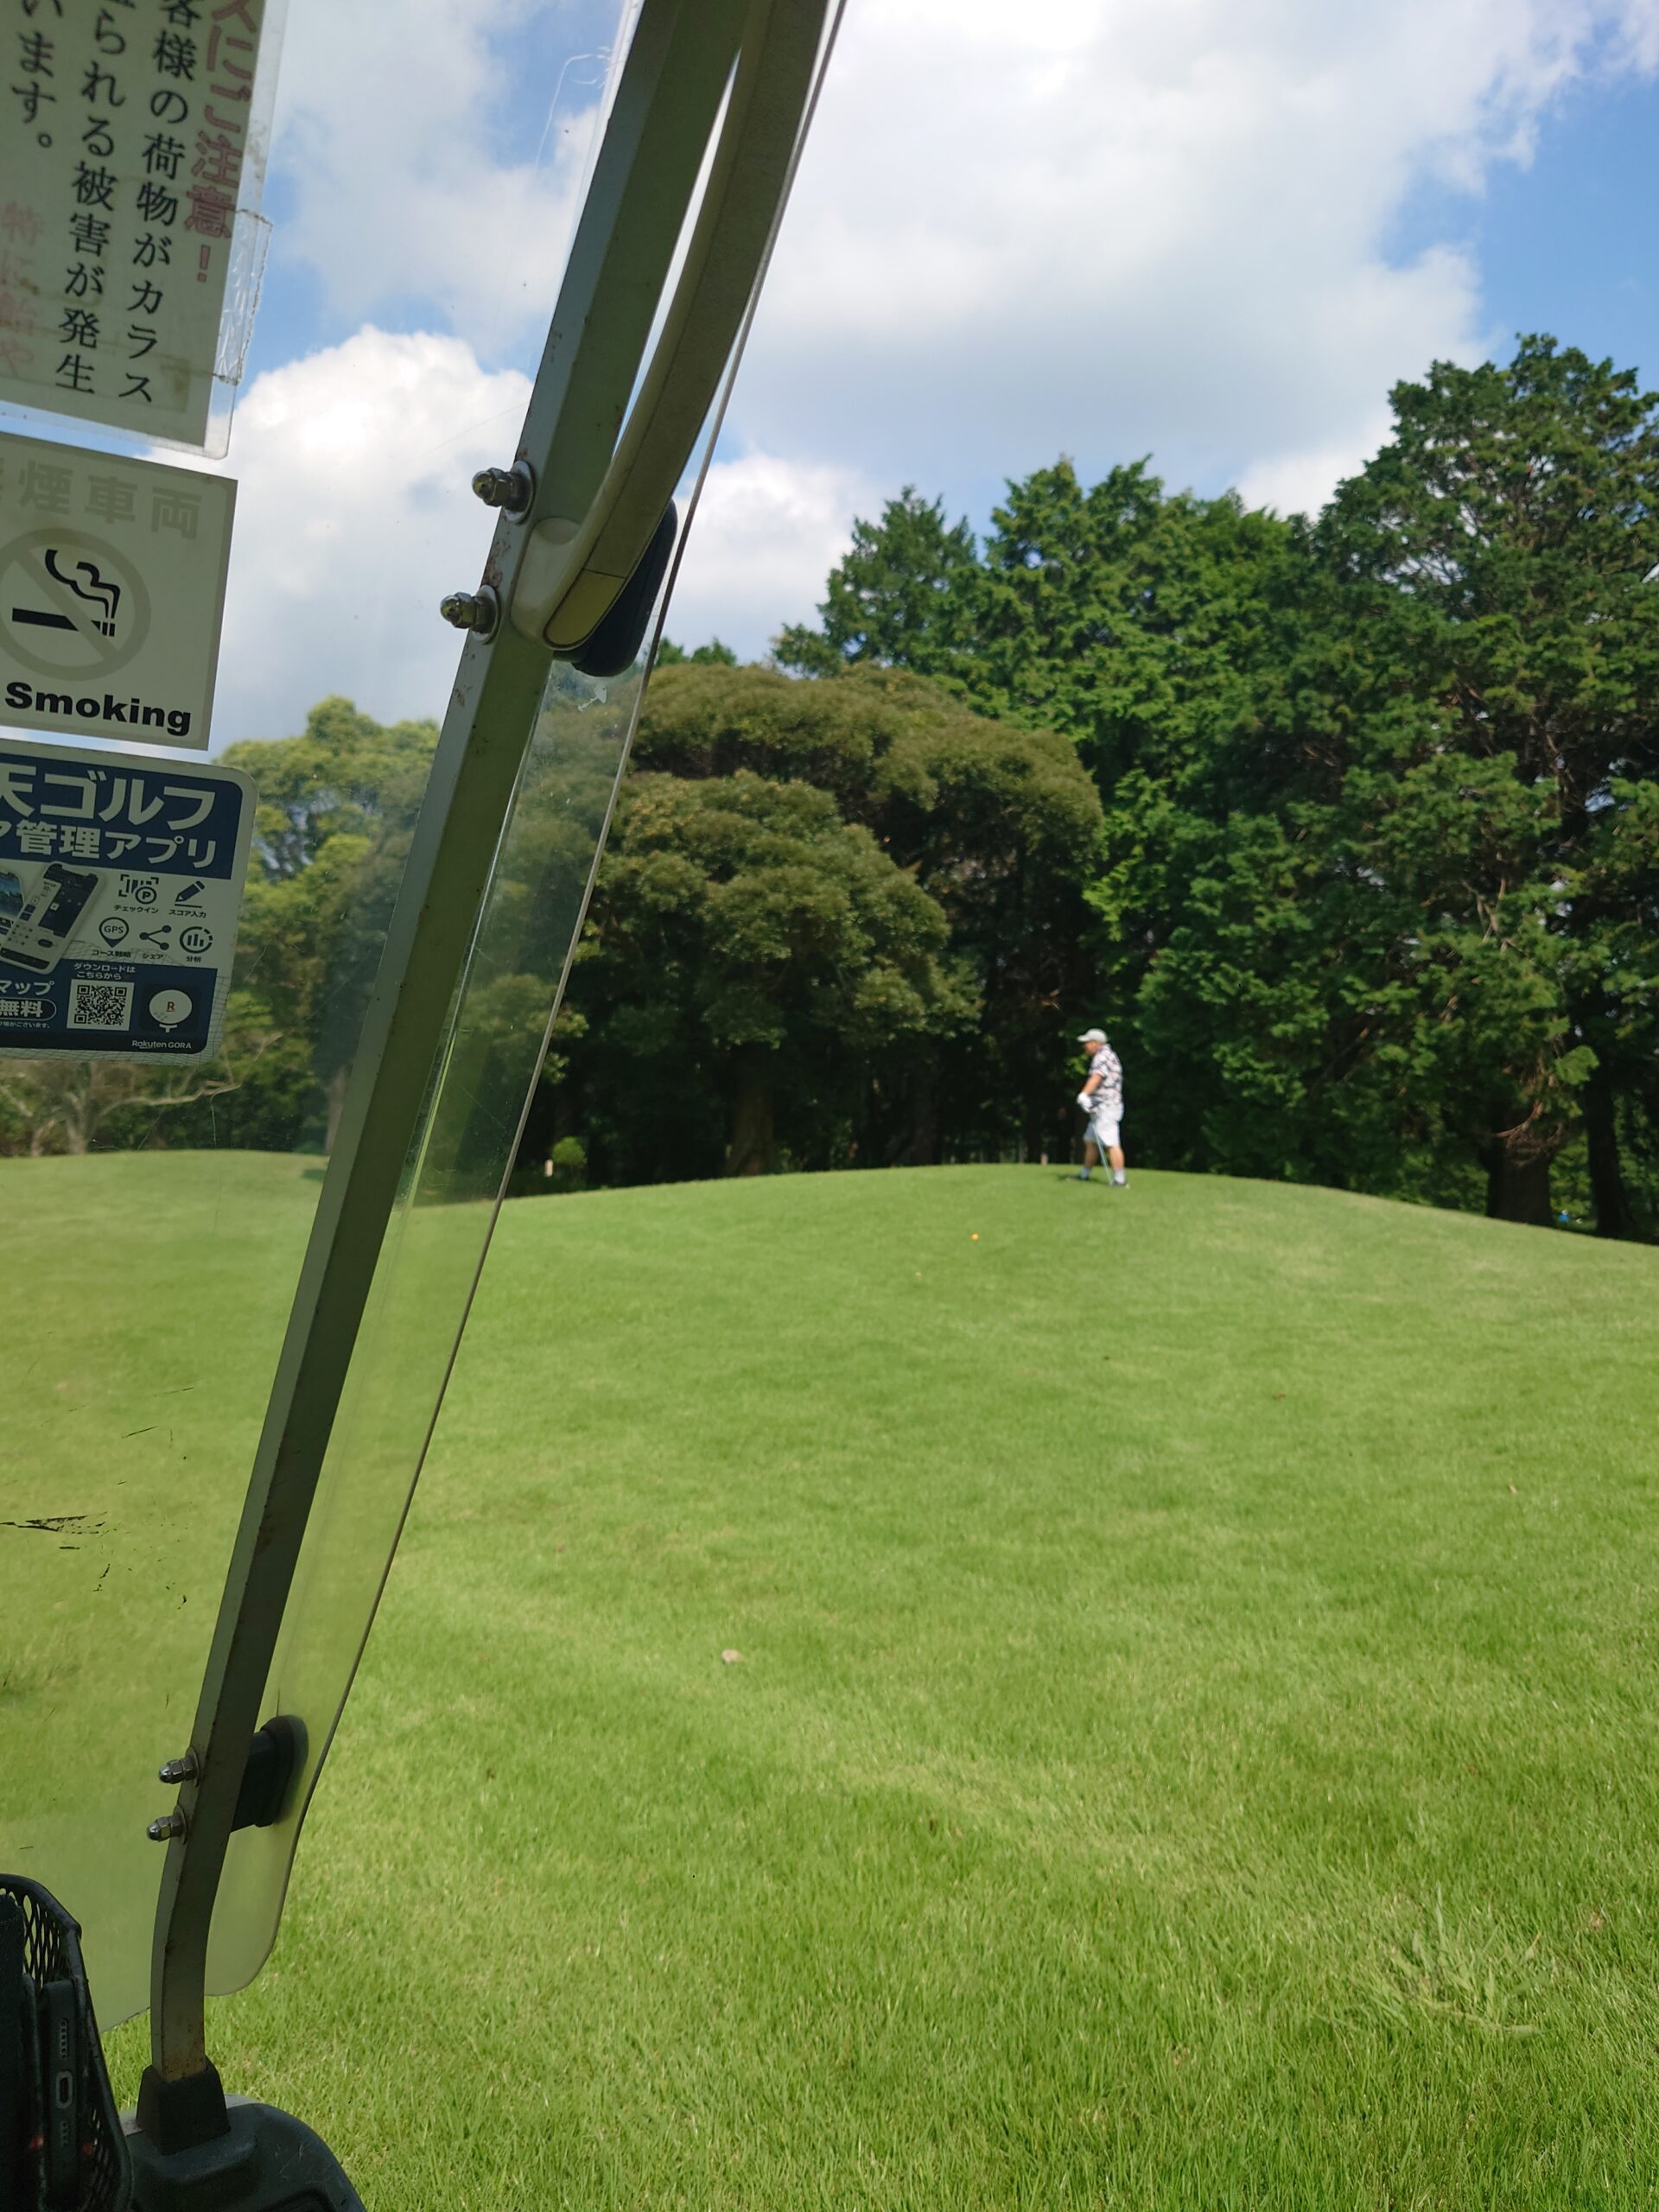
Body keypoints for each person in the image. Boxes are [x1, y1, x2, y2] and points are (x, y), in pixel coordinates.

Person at [1072, 1026, 1127, 1185]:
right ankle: (1084, 1175)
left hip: (1107, 1107)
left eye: (1087, 1042)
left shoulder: (1102, 1056)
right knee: (1090, 1140)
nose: (1085, 1046)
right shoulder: (1107, 1055)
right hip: (1101, 1107)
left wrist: (1083, 1094)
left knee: (1110, 1143)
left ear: (1096, 1043)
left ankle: (1120, 1180)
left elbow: (1096, 1077)